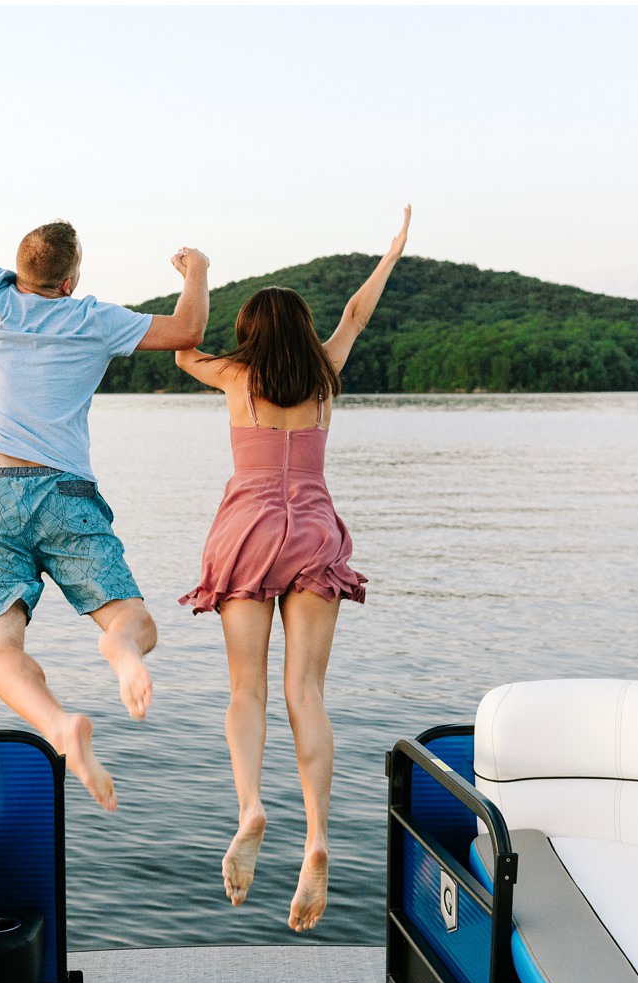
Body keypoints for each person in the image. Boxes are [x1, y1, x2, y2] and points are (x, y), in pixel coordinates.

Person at [0, 58, 212, 814]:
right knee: (131, 618)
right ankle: (117, 653)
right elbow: (188, 330)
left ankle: (56, 724)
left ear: (17, 266)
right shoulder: (92, 319)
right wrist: (197, 269)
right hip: (65, 493)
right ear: (71, 279)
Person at [175, 208, 411, 928]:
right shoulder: (323, 374)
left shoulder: (235, 375)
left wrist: (198, 275)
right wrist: (393, 251)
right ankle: (317, 839)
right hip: (309, 528)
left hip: (247, 530)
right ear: (304, 333)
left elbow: (182, 346)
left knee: (246, 690)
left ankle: (251, 807)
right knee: (305, 691)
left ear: (249, 334)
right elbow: (357, 311)